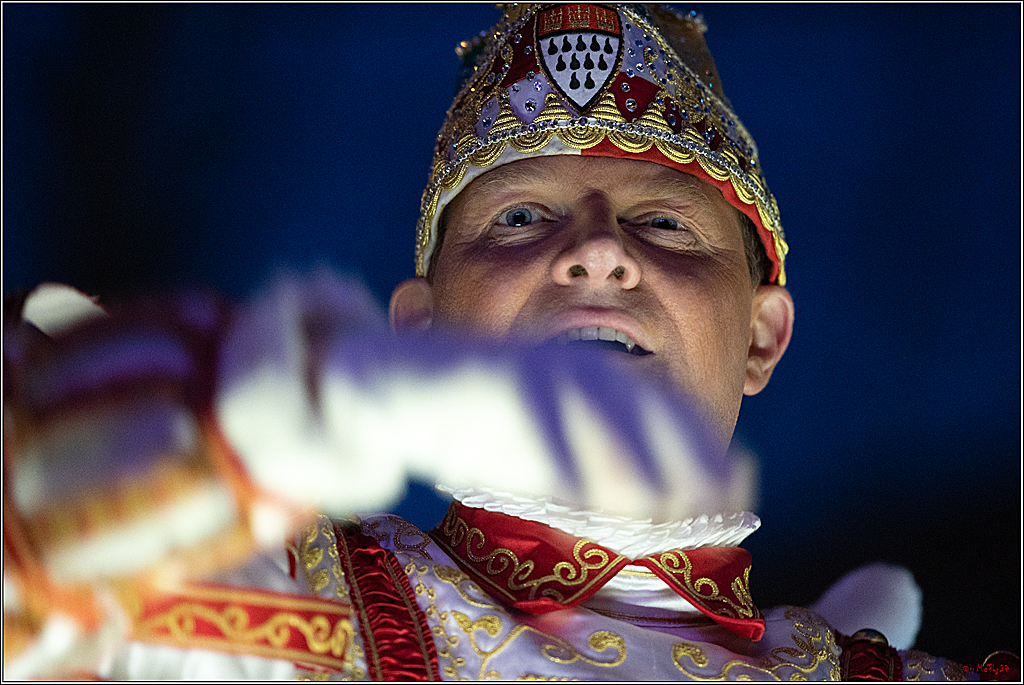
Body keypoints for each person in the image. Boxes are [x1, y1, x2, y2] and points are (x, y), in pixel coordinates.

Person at [2, 4, 1017, 681]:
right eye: (522, 218)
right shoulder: (282, 602)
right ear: (420, 327)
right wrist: (207, 438)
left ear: (763, 337)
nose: (597, 253)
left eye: (664, 223)